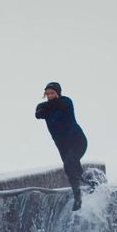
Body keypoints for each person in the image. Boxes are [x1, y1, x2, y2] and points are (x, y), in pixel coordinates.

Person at [35, 82, 88, 211]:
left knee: (69, 164)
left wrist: (45, 106)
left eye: (52, 93)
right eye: (47, 94)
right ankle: (93, 183)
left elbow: (57, 104)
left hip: (77, 140)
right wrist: (43, 107)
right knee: (74, 170)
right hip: (62, 145)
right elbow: (38, 114)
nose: (50, 96)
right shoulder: (45, 108)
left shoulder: (66, 102)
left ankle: (78, 199)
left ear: (58, 93)